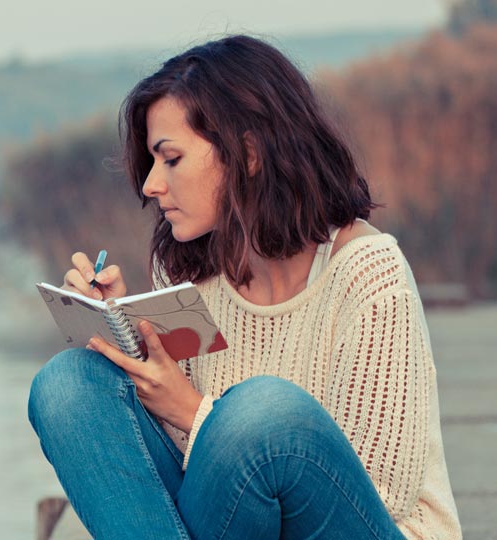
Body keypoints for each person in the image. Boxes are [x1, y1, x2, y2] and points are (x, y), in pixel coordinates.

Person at [26, 34, 461, 540]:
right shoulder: (188, 271)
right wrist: (130, 339)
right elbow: (184, 492)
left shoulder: (369, 272)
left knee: (262, 412)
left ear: (249, 153)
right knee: (68, 385)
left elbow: (381, 495)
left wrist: (192, 411)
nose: (149, 185)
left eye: (170, 158)